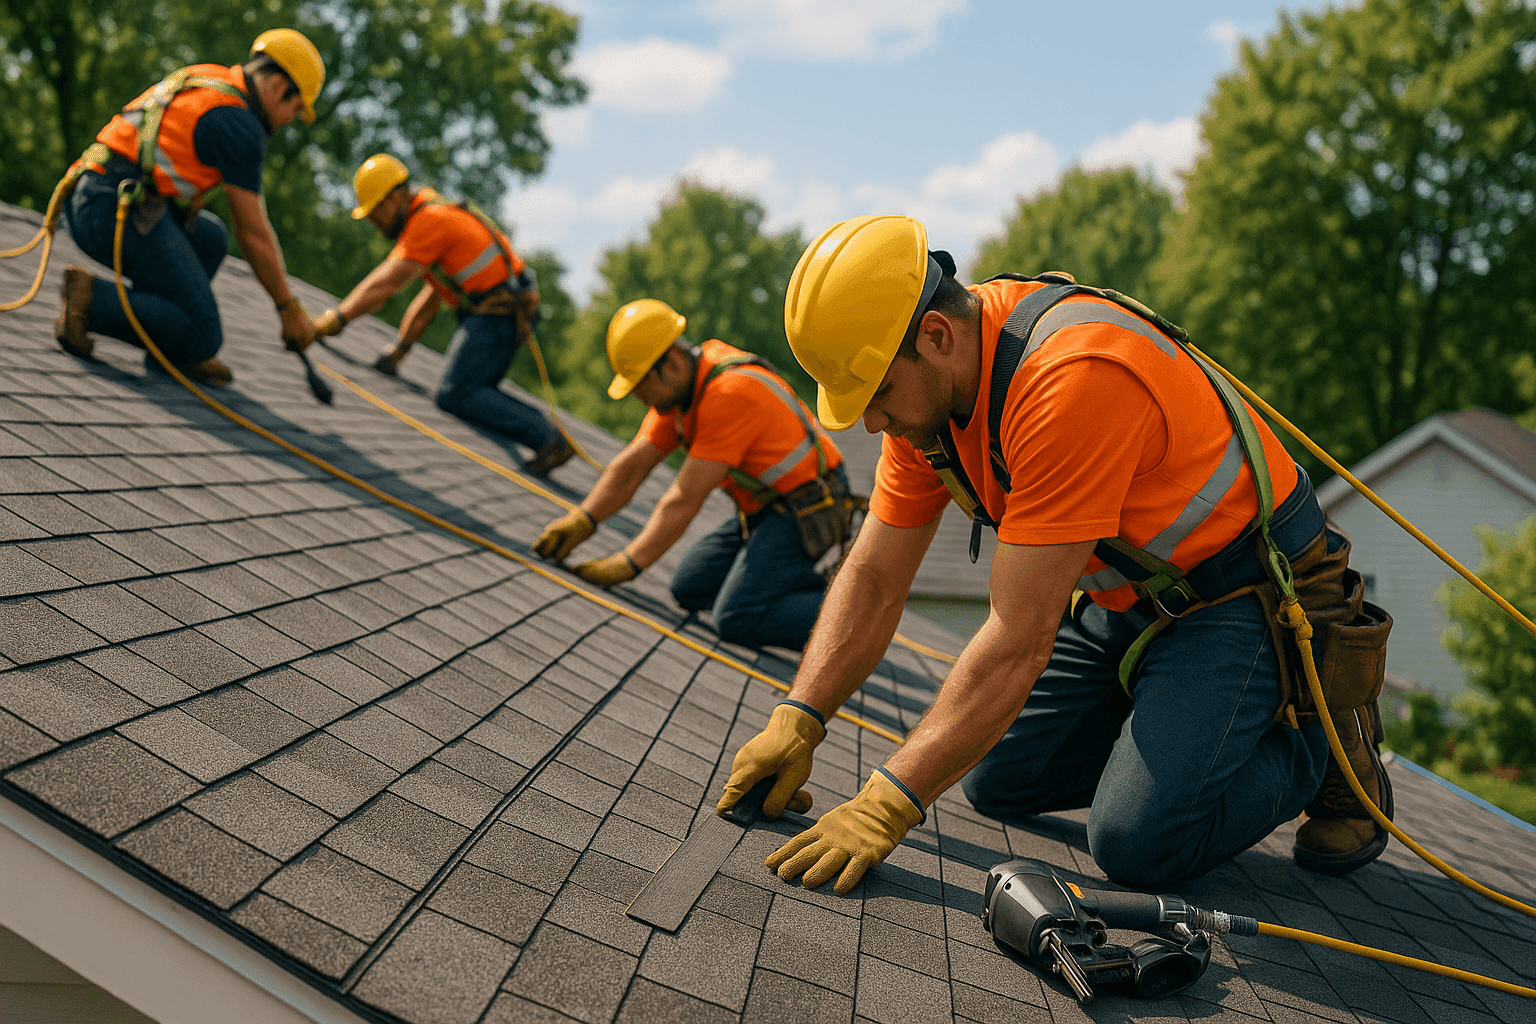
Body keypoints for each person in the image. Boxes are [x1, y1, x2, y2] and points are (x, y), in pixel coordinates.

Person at [716, 214, 1392, 893]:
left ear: (937, 334)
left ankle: (1317, 738)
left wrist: (885, 806)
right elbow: (872, 576)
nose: (871, 421)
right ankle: (1185, 732)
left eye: (879, 392)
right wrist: (798, 718)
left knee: (1137, 843)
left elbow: (1018, 638)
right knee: (996, 775)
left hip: (1238, 599)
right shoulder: (932, 398)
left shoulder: (1072, 378)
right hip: (1128, 601)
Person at [533, 298, 855, 650]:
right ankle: (781, 581)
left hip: (809, 507)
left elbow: (683, 500)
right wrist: (583, 519)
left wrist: (627, 564)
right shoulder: (682, 394)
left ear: (669, 364)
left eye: (640, 386)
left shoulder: (728, 393)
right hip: (764, 509)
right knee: (689, 588)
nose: (640, 399)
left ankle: (851, 616)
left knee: (736, 617)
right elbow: (630, 468)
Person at [55, 29, 325, 385]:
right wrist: (287, 308)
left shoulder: (210, 78)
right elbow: (253, 232)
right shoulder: (240, 125)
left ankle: (168, 346)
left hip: (91, 196)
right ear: (277, 86)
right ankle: (91, 301)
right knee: (203, 334)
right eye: (295, 106)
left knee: (211, 237)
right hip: (111, 211)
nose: (292, 118)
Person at [306, 154, 573, 476]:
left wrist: (337, 318)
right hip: (507, 309)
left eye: (376, 214)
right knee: (476, 388)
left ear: (395, 197)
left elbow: (387, 282)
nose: (375, 225)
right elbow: (430, 299)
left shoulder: (428, 220)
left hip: (500, 314)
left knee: (456, 393)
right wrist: (400, 351)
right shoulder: (435, 213)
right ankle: (545, 436)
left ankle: (548, 438)